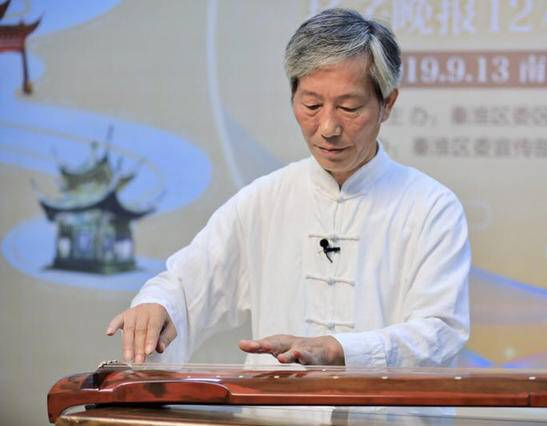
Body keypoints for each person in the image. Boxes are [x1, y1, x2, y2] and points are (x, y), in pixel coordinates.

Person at [106, 8, 470, 368]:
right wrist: (157, 305)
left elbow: (440, 331)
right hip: (275, 404)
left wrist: (340, 350)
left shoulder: (430, 206)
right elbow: (188, 287)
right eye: (311, 105)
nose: (327, 127)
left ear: (387, 104)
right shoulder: (265, 199)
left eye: (349, 107)